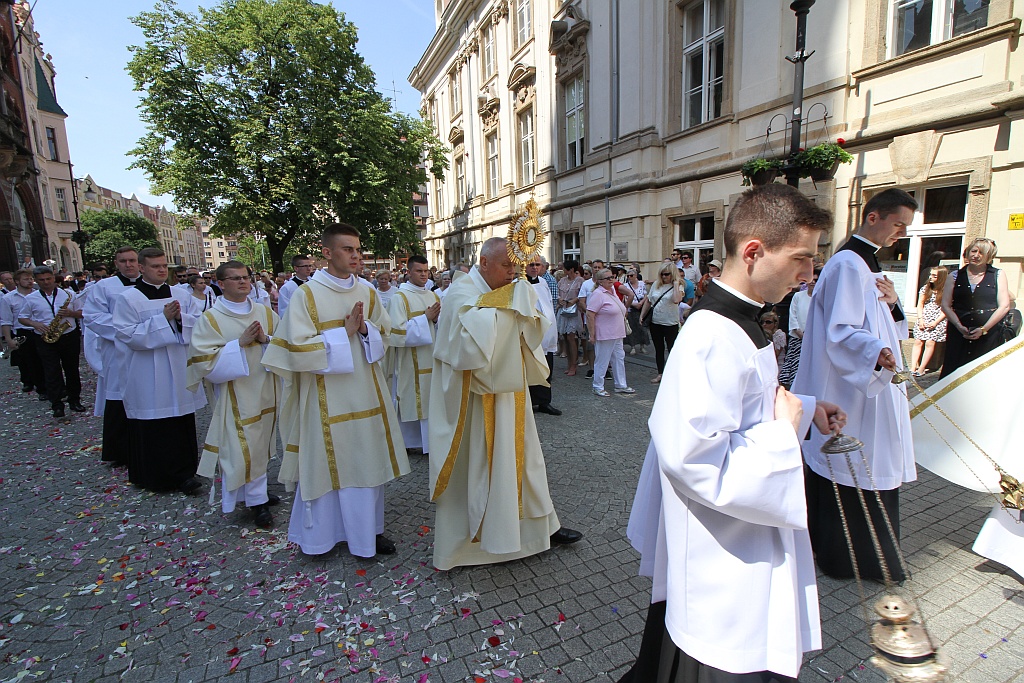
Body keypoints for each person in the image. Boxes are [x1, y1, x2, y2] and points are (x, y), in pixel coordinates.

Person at [621, 183, 845, 683]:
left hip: (744, 525)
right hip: (721, 547)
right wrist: (782, 439)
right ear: (753, 252)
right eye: (802, 259)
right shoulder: (709, 333)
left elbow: (746, 406)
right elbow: (693, 457)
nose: (810, 274)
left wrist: (805, 411)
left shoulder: (743, 319)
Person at [428, 237, 582, 570]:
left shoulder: (510, 287)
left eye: (516, 266)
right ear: (484, 262)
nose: (513, 272)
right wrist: (509, 305)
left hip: (510, 392)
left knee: (526, 462)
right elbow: (467, 348)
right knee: (484, 467)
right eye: (506, 266)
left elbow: (533, 327)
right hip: (475, 400)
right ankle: (472, 546)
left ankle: (540, 532)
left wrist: (521, 308)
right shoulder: (460, 292)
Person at [261, 222, 410, 558]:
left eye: (357, 249)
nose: (356, 255)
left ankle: (368, 532)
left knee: (367, 459)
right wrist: (342, 334)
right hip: (324, 396)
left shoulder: (368, 292)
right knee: (328, 462)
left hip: (367, 391)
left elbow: (386, 336)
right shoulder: (307, 295)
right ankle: (322, 537)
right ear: (327, 253)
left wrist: (365, 330)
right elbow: (292, 350)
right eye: (347, 249)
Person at [793, 187, 918, 582]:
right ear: (874, 216)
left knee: (866, 466)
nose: (901, 233)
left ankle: (864, 557)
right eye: (898, 223)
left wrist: (895, 304)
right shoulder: (848, 263)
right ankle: (847, 559)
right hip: (851, 391)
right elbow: (841, 332)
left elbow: (883, 323)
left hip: (871, 386)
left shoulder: (869, 265)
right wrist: (875, 350)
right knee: (853, 467)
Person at [188, 261, 281, 529]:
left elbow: (285, 345)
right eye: (235, 278)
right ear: (220, 283)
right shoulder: (211, 319)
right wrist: (238, 345)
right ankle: (256, 501)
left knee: (261, 442)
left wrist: (265, 340)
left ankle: (254, 492)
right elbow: (203, 362)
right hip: (234, 393)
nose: (243, 282)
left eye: (246, 277)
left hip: (265, 387)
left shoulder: (265, 313)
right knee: (241, 444)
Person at [114, 247, 207, 494]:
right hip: (147, 370)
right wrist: (163, 319)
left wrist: (178, 320)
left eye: (164, 266)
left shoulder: (181, 294)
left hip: (177, 365)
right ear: (142, 268)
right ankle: (155, 476)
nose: (162, 270)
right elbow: (128, 335)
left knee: (181, 420)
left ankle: (186, 473)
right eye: (155, 266)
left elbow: (198, 323)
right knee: (154, 423)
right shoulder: (128, 298)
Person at [83, 247, 140, 466]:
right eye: (123, 261)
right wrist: (128, 330)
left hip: (147, 349)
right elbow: (93, 316)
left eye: (132, 260)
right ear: (116, 263)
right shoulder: (104, 287)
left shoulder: (152, 286)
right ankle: (119, 451)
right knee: (118, 397)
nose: (129, 265)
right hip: (117, 349)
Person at [387, 254, 441, 455]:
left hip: (432, 357)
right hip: (410, 361)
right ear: (408, 272)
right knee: (412, 401)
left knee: (431, 401)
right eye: (419, 271)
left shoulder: (433, 296)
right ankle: (409, 443)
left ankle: (430, 443)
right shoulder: (399, 298)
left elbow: (440, 327)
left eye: (426, 271)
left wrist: (434, 321)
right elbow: (397, 333)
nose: (423, 275)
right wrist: (425, 318)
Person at [18, 266, 86, 418]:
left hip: (68, 335)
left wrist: (71, 313)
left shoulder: (68, 294)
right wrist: (35, 324)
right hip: (44, 337)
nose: (46, 282)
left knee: (72, 369)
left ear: (54, 278)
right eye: (41, 280)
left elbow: (83, 313)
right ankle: (57, 405)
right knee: (51, 371)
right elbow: (22, 317)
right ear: (36, 281)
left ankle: (74, 400)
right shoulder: (31, 298)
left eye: (48, 279)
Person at [940, 238, 1012, 378]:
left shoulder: (998, 274)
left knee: (983, 374)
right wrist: (959, 326)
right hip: (959, 332)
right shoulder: (954, 276)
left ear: (989, 256)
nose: (976, 255)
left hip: (988, 335)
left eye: (981, 252)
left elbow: (1004, 306)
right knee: (954, 371)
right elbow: (946, 305)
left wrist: (984, 329)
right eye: (973, 251)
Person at [586, 268, 634, 397]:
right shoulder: (598, 294)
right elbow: (590, 314)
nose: (611, 280)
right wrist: (592, 334)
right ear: (600, 281)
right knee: (602, 360)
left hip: (617, 332)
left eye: (612, 277)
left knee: (619, 358)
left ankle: (621, 384)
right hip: (605, 333)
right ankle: (597, 386)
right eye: (608, 278)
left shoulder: (612, 291)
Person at [526, 254, 561, 416]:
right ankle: (528, 402)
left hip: (547, 332)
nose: (534, 267)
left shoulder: (544, 282)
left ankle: (544, 402)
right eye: (531, 264)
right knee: (531, 368)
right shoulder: (518, 284)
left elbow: (548, 304)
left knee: (547, 368)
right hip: (530, 333)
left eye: (537, 265)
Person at [1, 268, 44, 395]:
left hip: (39, 330)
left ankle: (47, 385)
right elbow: (6, 320)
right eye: (26, 279)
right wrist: (8, 339)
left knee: (44, 360)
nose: (30, 281)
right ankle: (37, 386)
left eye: (31, 279)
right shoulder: (8, 298)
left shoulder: (38, 294)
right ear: (17, 281)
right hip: (22, 331)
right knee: (29, 361)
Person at [640, 264, 683, 384]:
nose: (664, 277)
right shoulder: (656, 284)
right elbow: (649, 300)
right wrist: (642, 315)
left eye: (667, 274)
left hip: (670, 323)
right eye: (662, 274)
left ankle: (674, 374)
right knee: (659, 349)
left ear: (672, 274)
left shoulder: (679, 286)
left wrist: (675, 284)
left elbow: (676, 300)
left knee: (672, 349)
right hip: (656, 322)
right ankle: (660, 373)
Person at [777, 268, 819, 389]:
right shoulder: (798, 296)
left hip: (814, 340)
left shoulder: (821, 298)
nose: (813, 282)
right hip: (797, 339)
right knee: (792, 369)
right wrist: (800, 334)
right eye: (812, 279)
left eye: (816, 280)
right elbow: (793, 315)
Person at [909, 266, 948, 376]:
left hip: (938, 319)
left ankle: (922, 367)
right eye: (930, 274)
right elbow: (920, 303)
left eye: (934, 276)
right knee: (918, 341)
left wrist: (936, 322)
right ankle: (913, 367)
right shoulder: (926, 288)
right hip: (924, 317)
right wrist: (920, 319)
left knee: (930, 343)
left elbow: (947, 308)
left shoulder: (946, 291)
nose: (931, 277)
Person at [556, 260, 584, 377]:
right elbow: (556, 292)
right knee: (564, 337)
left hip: (573, 311)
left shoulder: (580, 281)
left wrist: (575, 300)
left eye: (566, 269)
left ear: (571, 269)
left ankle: (574, 364)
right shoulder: (562, 281)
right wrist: (559, 299)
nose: (564, 271)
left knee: (572, 336)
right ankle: (569, 363)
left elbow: (582, 295)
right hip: (563, 311)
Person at [622, 268, 649, 355]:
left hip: (641, 308)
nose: (630, 277)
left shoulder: (641, 284)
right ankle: (632, 346)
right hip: (631, 308)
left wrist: (641, 303)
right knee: (632, 327)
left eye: (631, 275)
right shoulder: (625, 286)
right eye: (628, 276)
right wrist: (633, 304)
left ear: (636, 276)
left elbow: (646, 295)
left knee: (642, 328)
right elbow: (625, 298)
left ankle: (642, 346)